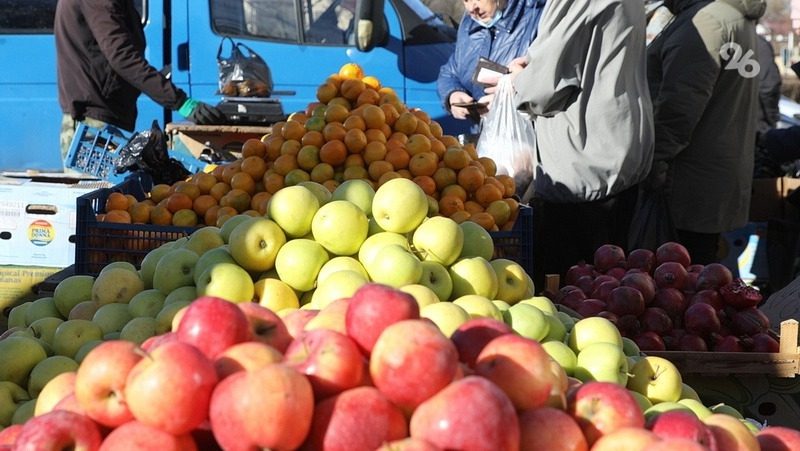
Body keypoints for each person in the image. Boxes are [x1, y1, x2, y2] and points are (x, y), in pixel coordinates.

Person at [500, 0, 654, 289]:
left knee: (576, 294)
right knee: (613, 285)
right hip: (616, 149)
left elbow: (544, 88)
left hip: (585, 161)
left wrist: (520, 80)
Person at [646, 0, 766, 264]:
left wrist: (653, 162)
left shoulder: (705, 22)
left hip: (688, 178)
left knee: (684, 281)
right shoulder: (733, 18)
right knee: (703, 277)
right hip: (715, 173)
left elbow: (679, 106)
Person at [55, 0, 224, 170]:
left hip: (99, 116)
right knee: (92, 193)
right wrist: (180, 101)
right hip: (93, 123)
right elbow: (123, 57)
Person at [436, 0, 546, 129]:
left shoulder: (538, 16)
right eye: (465, 0)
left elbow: (554, 79)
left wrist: (513, 96)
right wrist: (453, 94)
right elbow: (450, 72)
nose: (472, 8)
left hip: (528, 135)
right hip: (486, 136)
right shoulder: (469, 24)